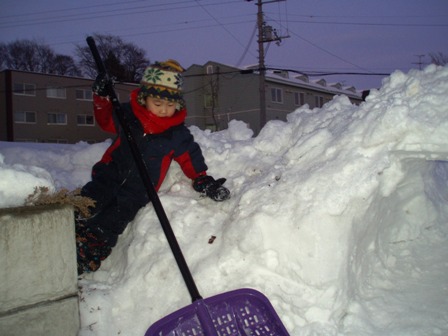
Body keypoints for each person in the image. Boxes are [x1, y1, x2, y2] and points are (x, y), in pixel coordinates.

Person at [76, 60, 230, 275]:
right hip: (109, 172)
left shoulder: (176, 133)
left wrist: (203, 179)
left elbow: (190, 157)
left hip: (138, 190)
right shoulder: (127, 115)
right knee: (88, 203)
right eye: (157, 104)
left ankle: (87, 253)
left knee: (111, 222)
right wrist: (101, 97)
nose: (164, 110)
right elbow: (105, 121)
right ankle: (67, 228)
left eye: (170, 105)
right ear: (144, 99)